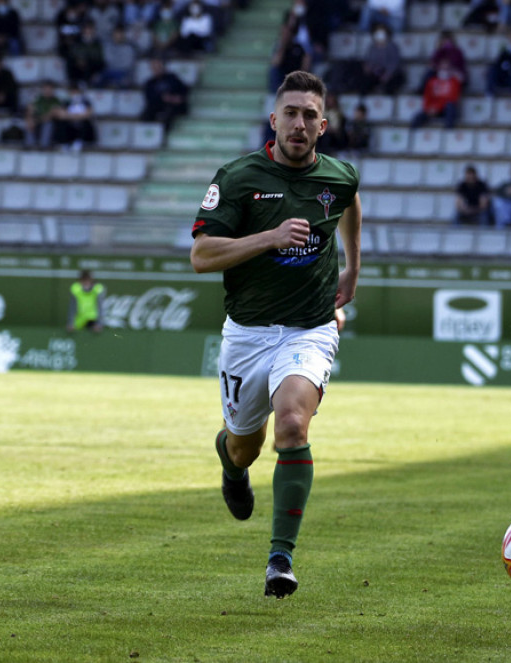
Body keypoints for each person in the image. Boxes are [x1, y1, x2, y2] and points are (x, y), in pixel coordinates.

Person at [189, 70, 361, 599]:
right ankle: (230, 462)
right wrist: (269, 237)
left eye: (310, 115)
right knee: (245, 446)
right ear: (274, 119)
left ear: (323, 125)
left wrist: (353, 266)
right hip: (247, 334)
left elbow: (349, 200)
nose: (299, 123)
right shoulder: (238, 178)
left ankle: (280, 559)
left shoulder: (338, 176)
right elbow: (201, 256)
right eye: (290, 112)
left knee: (292, 424)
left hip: (310, 329)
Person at [410, 58, 462, 130]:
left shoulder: (454, 82)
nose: (444, 70)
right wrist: (428, 109)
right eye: (443, 68)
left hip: (445, 110)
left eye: (447, 68)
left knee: (450, 108)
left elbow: (452, 98)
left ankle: (448, 134)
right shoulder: (431, 82)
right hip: (432, 109)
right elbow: (427, 97)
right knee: (418, 117)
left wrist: (437, 107)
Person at [140, 57, 189, 132]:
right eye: (154, 67)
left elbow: (183, 90)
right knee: (146, 115)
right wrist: (162, 98)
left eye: (158, 66)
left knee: (171, 114)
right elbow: (149, 98)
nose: (157, 69)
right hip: (159, 105)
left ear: (163, 66)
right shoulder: (150, 83)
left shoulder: (172, 78)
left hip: (174, 105)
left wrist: (175, 98)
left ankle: (166, 134)